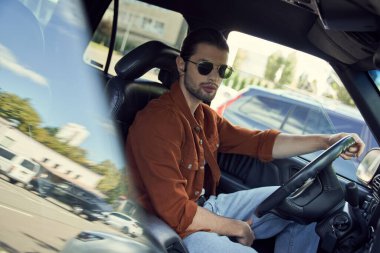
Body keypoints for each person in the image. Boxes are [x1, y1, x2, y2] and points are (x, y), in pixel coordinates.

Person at [126, 28, 365, 253]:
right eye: (205, 67)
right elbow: (175, 211)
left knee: (300, 206)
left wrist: (327, 140)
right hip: (168, 225)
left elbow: (260, 143)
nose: (214, 78)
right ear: (181, 65)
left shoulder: (206, 117)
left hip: (202, 207)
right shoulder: (158, 122)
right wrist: (236, 226)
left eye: (222, 71)